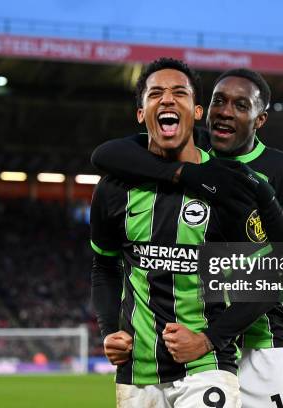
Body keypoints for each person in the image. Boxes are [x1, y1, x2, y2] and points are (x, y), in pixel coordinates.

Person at [91, 67, 283, 408]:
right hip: (190, 349)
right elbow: (106, 155)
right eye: (219, 101)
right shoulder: (190, 143)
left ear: (260, 119)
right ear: (204, 109)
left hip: (260, 340)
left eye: (241, 105)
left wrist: (263, 195)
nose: (226, 112)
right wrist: (185, 172)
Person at [91, 57, 251, 407]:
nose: (166, 99)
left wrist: (208, 339)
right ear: (141, 113)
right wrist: (109, 331)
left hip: (206, 365)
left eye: (179, 92)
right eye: (155, 93)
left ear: (196, 112)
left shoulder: (227, 186)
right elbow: (104, 266)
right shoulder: (113, 189)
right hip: (137, 373)